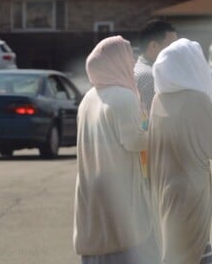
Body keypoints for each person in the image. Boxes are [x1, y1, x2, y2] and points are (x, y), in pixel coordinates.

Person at [73, 35, 160, 264]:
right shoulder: (123, 97)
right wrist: (160, 131)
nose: (132, 62)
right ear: (115, 61)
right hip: (119, 189)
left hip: (92, 187)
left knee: (99, 243)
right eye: (128, 55)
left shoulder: (89, 98)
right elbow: (134, 142)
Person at [148, 38, 212, 264]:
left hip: (164, 187)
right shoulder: (197, 99)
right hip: (192, 189)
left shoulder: (158, 100)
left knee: (175, 250)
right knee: (196, 247)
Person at [134, 19, 178, 114]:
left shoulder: (140, 69)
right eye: (172, 46)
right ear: (153, 46)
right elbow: (155, 119)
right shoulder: (149, 77)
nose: (176, 51)